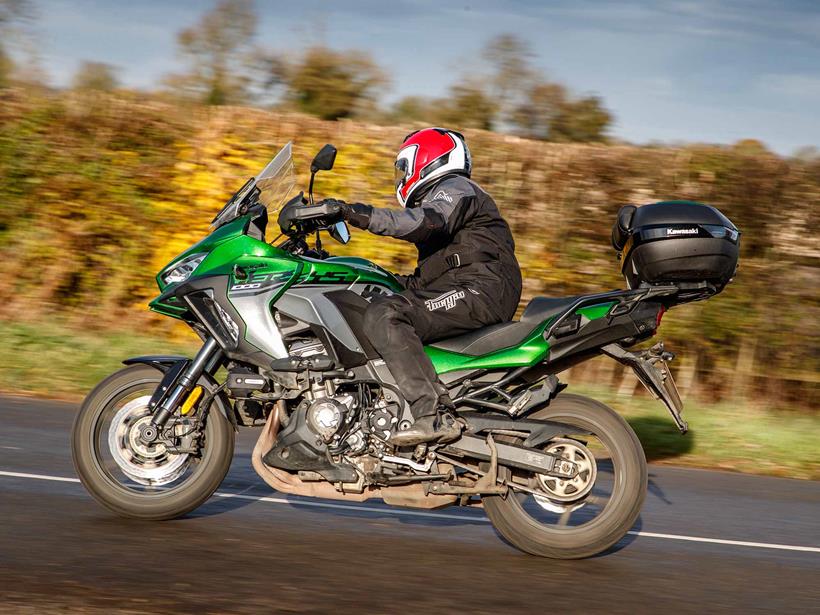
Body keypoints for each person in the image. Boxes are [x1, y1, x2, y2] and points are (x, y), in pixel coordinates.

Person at [287, 128, 522, 445]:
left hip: (482, 289)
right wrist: (350, 272)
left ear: (428, 159)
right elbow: (429, 280)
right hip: (464, 286)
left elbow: (423, 222)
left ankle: (433, 415)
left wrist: (351, 212)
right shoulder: (449, 205)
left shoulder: (456, 188)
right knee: (375, 295)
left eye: (403, 168)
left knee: (386, 315)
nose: (401, 177)